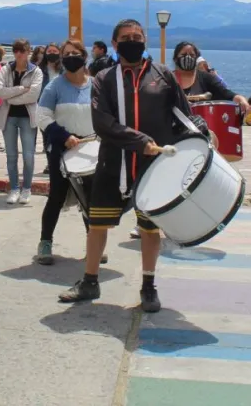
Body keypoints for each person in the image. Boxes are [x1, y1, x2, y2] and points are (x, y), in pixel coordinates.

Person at [59, 19, 193, 313]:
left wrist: (202, 136)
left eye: (137, 36)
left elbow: (183, 116)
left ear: (144, 40)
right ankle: (90, 280)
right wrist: (139, 140)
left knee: (149, 228)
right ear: (115, 44)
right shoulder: (104, 79)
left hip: (152, 165)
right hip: (112, 162)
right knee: (97, 225)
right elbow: (103, 123)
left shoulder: (163, 75)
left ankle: (148, 285)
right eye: (126, 37)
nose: (133, 40)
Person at [36, 39, 99, 265]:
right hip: (61, 150)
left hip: (90, 150)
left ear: (85, 56)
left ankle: (94, 245)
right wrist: (64, 137)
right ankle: (45, 242)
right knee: (56, 196)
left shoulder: (95, 85)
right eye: (67, 54)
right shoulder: (54, 86)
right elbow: (41, 117)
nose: (72, 57)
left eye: (76, 53)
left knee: (90, 200)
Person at [0, 39, 44, 204]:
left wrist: (12, 97)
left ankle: (27, 189)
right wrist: (21, 89)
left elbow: (34, 96)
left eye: (22, 51)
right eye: (15, 50)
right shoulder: (5, 69)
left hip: (27, 118)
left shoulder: (36, 72)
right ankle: (14, 188)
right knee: (11, 156)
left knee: (28, 156)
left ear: (28, 52)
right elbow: (0, 92)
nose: (18, 54)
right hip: (8, 117)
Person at [172, 41, 249, 113]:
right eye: (183, 55)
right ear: (175, 59)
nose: (188, 57)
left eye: (192, 55)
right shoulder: (168, 79)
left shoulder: (206, 78)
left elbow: (226, 93)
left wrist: (241, 99)